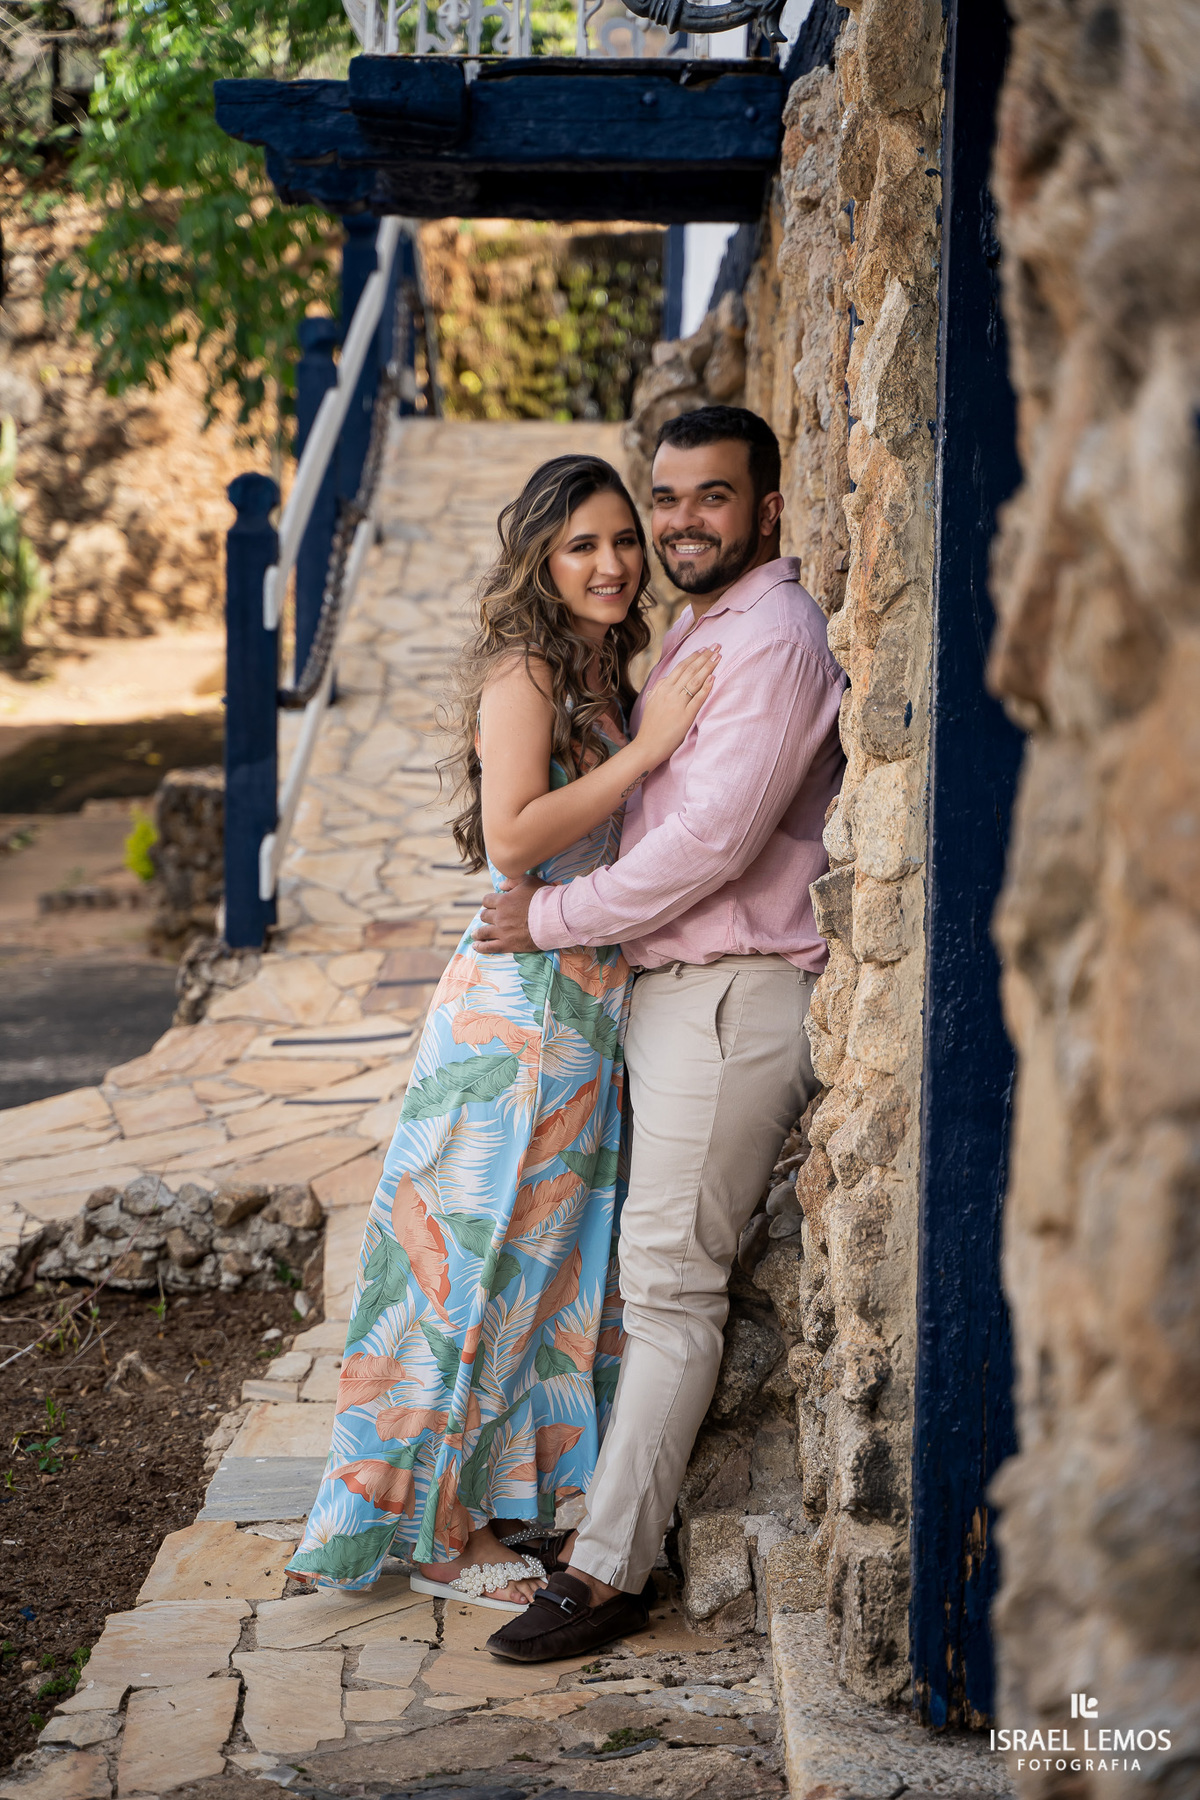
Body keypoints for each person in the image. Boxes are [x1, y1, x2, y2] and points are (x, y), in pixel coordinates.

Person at [287, 453, 719, 1608]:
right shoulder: (527, 670)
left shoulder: (597, 667)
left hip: (579, 1017)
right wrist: (647, 751)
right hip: (517, 1028)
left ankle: (480, 1505)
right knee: (470, 1274)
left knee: (544, 1281)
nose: (615, 562)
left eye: (623, 539)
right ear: (539, 556)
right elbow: (515, 843)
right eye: (583, 544)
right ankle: (437, 1536)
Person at [473, 406, 847, 1658]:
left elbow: (712, 846)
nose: (682, 523)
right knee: (638, 1273)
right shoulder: (700, 627)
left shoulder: (778, 638)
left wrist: (555, 915)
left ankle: (610, 1569)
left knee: (673, 1286)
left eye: (712, 499)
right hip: (672, 992)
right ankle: (597, 1508)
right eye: (667, 500)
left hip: (734, 991)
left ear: (769, 511)